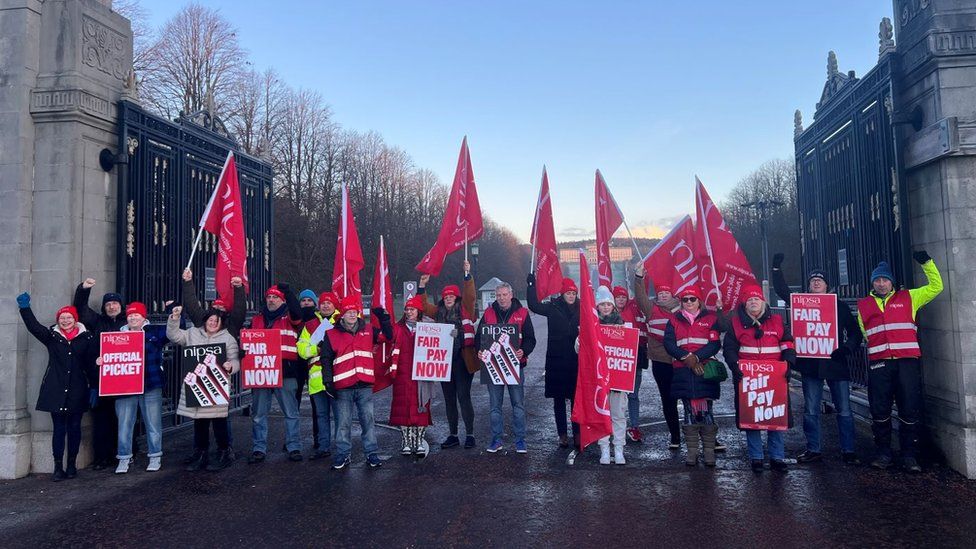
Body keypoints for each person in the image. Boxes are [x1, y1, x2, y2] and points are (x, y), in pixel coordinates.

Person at [771, 253, 863, 465]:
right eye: (813, 281)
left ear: (826, 285)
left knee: (845, 410)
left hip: (836, 363)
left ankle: (848, 451)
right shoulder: (802, 302)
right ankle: (814, 449)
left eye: (819, 281)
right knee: (811, 409)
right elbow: (783, 292)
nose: (816, 283)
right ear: (809, 286)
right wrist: (776, 270)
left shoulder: (838, 305)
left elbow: (855, 332)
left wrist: (847, 348)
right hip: (811, 365)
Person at [858, 252, 943, 473]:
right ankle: (883, 453)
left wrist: (927, 263)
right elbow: (865, 332)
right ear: (872, 283)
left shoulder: (909, 297)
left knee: (909, 408)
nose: (881, 283)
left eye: (885, 280)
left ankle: (909, 456)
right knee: (880, 410)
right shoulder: (864, 305)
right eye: (877, 280)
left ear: (892, 282)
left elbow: (936, 287)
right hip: (880, 363)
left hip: (906, 362)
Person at [17, 294, 97, 481]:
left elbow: (91, 362)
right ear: (58, 320)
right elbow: (34, 328)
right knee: (59, 428)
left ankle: (71, 464)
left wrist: (94, 384)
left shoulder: (86, 338)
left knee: (75, 427)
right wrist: (25, 308)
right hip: (56, 388)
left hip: (77, 389)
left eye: (69, 317)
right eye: (62, 318)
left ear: (75, 320)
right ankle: (57, 466)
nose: (65, 320)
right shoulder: (52, 336)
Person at [723, 285, 796, 472]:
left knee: (775, 417)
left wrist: (788, 363)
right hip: (747, 377)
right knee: (751, 417)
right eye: (749, 300)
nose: (753, 302)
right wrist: (734, 367)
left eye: (756, 299)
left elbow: (787, 343)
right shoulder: (735, 323)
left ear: (763, 302)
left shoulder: (778, 321)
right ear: (745, 305)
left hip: (775, 377)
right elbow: (729, 349)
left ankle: (777, 457)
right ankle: (756, 457)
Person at [319, 296, 393, 470]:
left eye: (355, 312)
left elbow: (388, 337)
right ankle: (343, 454)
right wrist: (327, 381)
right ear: (342, 315)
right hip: (343, 386)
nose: (352, 315)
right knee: (343, 423)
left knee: (368, 421)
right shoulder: (331, 333)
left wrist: (384, 319)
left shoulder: (368, 329)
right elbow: (326, 359)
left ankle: (371, 453)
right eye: (349, 312)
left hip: (364, 385)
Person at [167, 306, 240, 471]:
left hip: (216, 387)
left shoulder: (228, 338)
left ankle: (224, 452)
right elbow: (174, 336)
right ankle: (201, 452)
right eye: (210, 320)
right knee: (200, 423)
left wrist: (230, 366)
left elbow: (235, 360)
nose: (213, 323)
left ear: (221, 323)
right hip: (197, 386)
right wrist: (174, 319)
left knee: (219, 422)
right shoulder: (192, 333)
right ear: (205, 320)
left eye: (216, 321)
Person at [418, 260, 478, 449]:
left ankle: (470, 434)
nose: (448, 298)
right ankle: (453, 434)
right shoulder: (438, 311)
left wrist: (467, 275)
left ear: (457, 297)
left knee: (463, 396)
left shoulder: (465, 307)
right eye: (446, 296)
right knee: (449, 398)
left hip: (463, 358)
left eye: (451, 296)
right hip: (444, 361)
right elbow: (424, 306)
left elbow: (470, 294)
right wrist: (422, 286)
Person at [663, 286, 722, 467]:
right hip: (683, 370)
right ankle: (692, 452)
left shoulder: (711, 319)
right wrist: (686, 358)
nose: (689, 302)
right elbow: (669, 343)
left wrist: (696, 357)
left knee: (706, 411)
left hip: (705, 370)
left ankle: (709, 452)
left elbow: (714, 343)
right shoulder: (673, 320)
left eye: (692, 299)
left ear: (699, 301)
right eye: (685, 299)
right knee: (689, 410)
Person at [477, 282, 537, 454]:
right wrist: (479, 351)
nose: (501, 298)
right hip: (493, 367)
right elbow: (479, 337)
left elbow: (530, 339)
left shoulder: (522, 313)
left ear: (511, 294)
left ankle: (520, 441)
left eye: (504, 295)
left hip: (515, 366)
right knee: (495, 406)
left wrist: (523, 351)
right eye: (498, 295)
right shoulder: (488, 313)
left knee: (517, 405)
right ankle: (496, 440)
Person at [108, 302, 168, 474]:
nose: (133, 317)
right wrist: (101, 361)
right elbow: (108, 355)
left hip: (150, 384)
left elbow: (175, 330)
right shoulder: (116, 335)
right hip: (125, 387)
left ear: (144, 317)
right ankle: (124, 458)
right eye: (130, 315)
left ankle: (155, 456)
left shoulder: (154, 332)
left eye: (137, 315)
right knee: (124, 424)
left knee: (153, 423)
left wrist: (174, 311)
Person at [248, 284, 304, 464]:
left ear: (283, 300)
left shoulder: (290, 317)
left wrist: (289, 292)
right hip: (261, 372)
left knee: (291, 412)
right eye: (269, 297)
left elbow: (298, 312)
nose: (271, 300)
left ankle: (293, 446)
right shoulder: (256, 319)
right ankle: (259, 449)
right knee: (258, 413)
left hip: (285, 370)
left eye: (276, 297)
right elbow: (249, 342)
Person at [72, 278, 125, 470]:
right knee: (101, 421)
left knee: (123, 420)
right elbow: (81, 309)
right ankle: (102, 457)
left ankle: (124, 454)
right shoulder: (97, 321)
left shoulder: (129, 323)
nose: (112, 307)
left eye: (115, 303)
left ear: (121, 306)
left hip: (124, 382)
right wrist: (83, 289)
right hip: (101, 381)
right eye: (108, 304)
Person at [526, 274, 580, 449]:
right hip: (556, 359)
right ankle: (562, 434)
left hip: (575, 359)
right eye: (569, 293)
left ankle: (578, 433)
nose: (571, 296)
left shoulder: (582, 308)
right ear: (563, 293)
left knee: (575, 400)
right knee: (558, 400)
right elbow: (533, 305)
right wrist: (531, 285)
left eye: (574, 293)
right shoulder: (553, 306)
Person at [633, 264, 681, 449]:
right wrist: (639, 277)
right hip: (661, 362)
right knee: (668, 400)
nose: (662, 295)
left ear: (672, 294)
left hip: (682, 361)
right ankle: (675, 437)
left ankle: (703, 437)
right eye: (660, 293)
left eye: (666, 293)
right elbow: (640, 296)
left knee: (691, 399)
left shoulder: (682, 308)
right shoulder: (651, 308)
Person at [386, 296, 435, 457]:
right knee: (403, 408)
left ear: (418, 311)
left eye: (412, 309)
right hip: (403, 374)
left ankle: (419, 440)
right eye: (407, 309)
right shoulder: (398, 328)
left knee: (421, 407)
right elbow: (384, 339)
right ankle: (406, 441)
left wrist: (451, 335)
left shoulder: (430, 327)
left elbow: (442, 342)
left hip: (422, 374)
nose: (408, 312)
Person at [297, 291, 340, 459]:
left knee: (339, 416)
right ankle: (323, 447)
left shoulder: (341, 321)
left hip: (337, 378)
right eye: (323, 303)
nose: (326, 305)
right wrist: (317, 349)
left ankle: (342, 448)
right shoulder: (310, 325)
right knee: (321, 416)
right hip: (317, 380)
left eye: (329, 302)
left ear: (335, 305)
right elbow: (301, 349)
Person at [591, 286, 629, 465]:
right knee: (602, 415)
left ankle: (619, 449)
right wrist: (581, 338)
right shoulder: (591, 326)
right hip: (599, 378)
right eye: (602, 304)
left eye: (608, 304)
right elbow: (580, 350)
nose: (605, 307)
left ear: (613, 306)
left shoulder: (623, 325)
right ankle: (604, 449)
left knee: (618, 414)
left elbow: (630, 350)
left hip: (618, 379)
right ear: (597, 306)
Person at [612, 285, 649, 443]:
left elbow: (642, 293)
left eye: (623, 297)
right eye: (618, 296)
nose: (621, 299)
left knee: (633, 395)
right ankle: (612, 425)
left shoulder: (634, 310)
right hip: (614, 360)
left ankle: (634, 426)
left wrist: (640, 277)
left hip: (634, 358)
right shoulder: (608, 313)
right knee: (614, 396)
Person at [181, 269, 247, 339]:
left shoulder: (231, 324)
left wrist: (238, 287)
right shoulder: (202, 320)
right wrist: (188, 282)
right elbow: (192, 306)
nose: (213, 323)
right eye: (216, 307)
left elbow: (239, 309)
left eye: (221, 307)